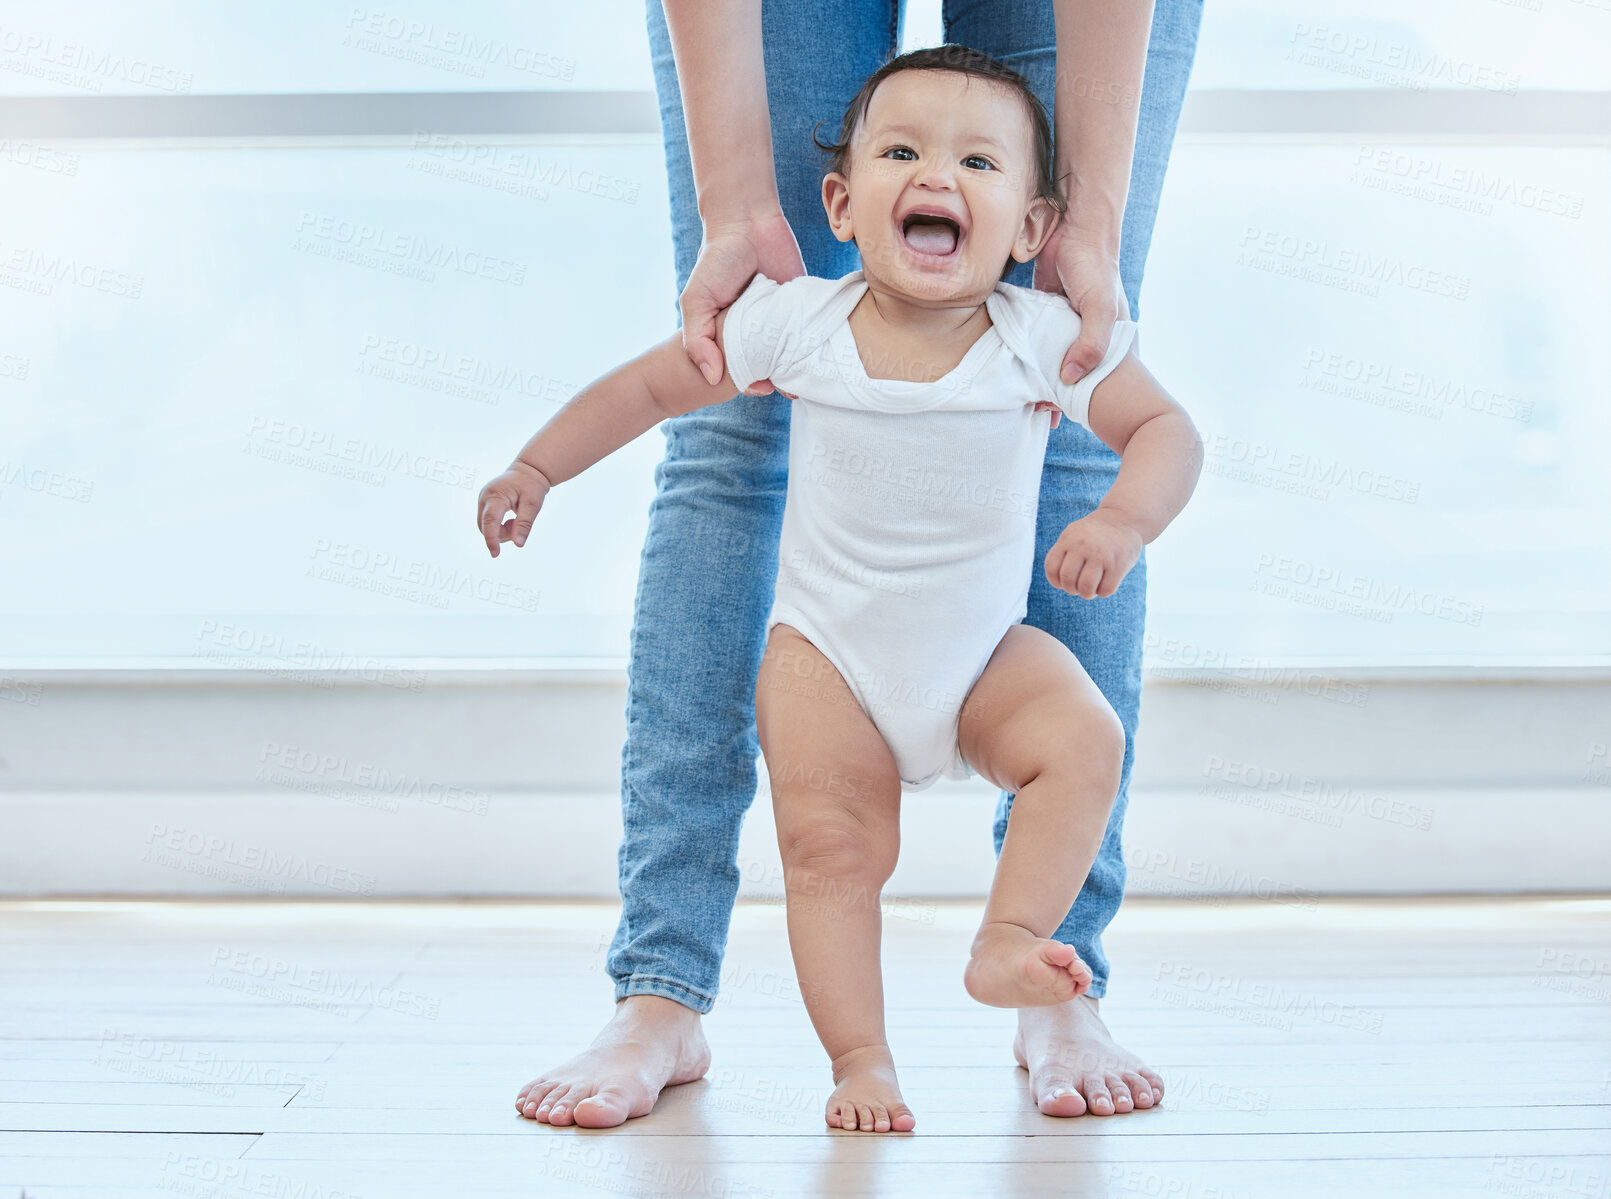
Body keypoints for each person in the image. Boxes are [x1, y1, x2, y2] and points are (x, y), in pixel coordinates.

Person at [481, 47, 1202, 1133]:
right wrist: (537, 466)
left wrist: (1120, 519)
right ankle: (859, 1058)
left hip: (983, 658)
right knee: (828, 853)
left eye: (976, 160)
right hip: (827, 655)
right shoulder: (795, 322)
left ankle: (1013, 941)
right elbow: (648, 386)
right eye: (901, 151)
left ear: (1029, 230)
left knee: (1082, 740)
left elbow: (1163, 430)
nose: (935, 175)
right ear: (839, 202)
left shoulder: (1040, 338)